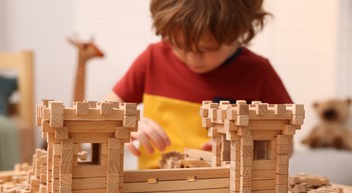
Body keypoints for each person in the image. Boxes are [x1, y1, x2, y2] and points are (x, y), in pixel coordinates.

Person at [105, 0, 293, 169]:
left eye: (207, 48)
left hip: (224, 192)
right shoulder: (152, 59)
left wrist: (250, 147)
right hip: (153, 188)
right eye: (179, 45)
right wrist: (126, 123)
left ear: (238, 32)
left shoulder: (259, 73)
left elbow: (286, 146)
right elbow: (104, 113)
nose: (192, 58)